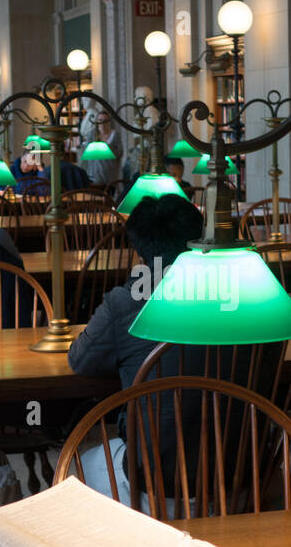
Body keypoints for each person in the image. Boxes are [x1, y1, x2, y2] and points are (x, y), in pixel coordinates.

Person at [67, 195, 205, 511]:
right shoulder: (247, 297)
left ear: (139, 251)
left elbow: (80, 360)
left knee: (80, 461)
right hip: (246, 470)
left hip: (158, 482)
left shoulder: (126, 302)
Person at [78, 109, 123, 187]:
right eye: (100, 120)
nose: (102, 123)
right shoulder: (92, 134)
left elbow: (119, 153)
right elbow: (86, 152)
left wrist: (106, 146)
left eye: (105, 120)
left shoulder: (115, 135)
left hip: (110, 174)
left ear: (109, 122)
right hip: (94, 175)